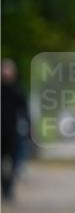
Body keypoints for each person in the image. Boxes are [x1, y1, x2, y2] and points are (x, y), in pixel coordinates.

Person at [1, 59, 28, 201]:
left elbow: (24, 111)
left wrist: (28, 129)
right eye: (4, 69)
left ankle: (8, 190)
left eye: (8, 69)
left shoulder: (17, 90)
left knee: (12, 162)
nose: (6, 72)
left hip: (12, 133)